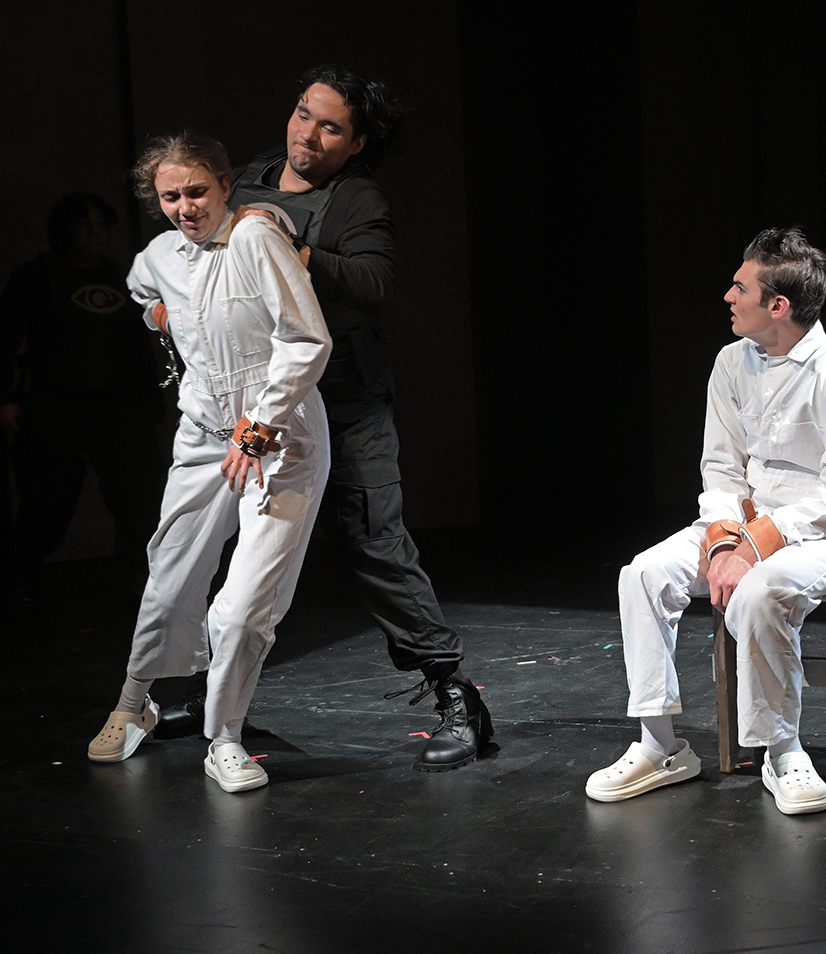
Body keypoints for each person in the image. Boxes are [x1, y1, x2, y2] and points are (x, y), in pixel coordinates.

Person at [158, 65, 491, 772]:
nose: (308, 133)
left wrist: (297, 249)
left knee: (375, 541)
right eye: (304, 113)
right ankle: (206, 692)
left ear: (357, 142)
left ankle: (456, 695)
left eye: (330, 126)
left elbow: (375, 282)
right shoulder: (245, 179)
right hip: (253, 405)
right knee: (204, 546)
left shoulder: (357, 199)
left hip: (343, 401)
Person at [586, 227, 826, 815]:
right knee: (644, 574)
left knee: (758, 594)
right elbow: (722, 469)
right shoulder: (731, 363)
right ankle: (659, 746)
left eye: (740, 287)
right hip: (741, 524)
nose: (728, 296)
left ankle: (782, 751)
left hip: (821, 534)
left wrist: (752, 546)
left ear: (778, 305)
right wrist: (725, 540)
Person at [86, 133, 331, 793]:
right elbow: (141, 290)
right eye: (171, 196)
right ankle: (133, 703)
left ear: (225, 187)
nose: (185, 207)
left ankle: (223, 737)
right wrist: (157, 316)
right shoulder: (160, 254)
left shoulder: (255, 237)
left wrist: (260, 425)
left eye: (197, 191)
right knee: (169, 579)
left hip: (278, 441)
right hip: (202, 439)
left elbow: (307, 339)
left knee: (243, 607)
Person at [0, 193, 165, 596]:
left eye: (101, 225)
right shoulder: (37, 276)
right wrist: (5, 398)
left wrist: (153, 400)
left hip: (119, 407)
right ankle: (21, 584)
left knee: (138, 501)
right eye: (84, 224)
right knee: (46, 504)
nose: (94, 233)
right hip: (56, 407)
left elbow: (140, 344)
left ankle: (145, 583)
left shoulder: (121, 276)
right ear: (64, 230)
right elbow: (5, 339)